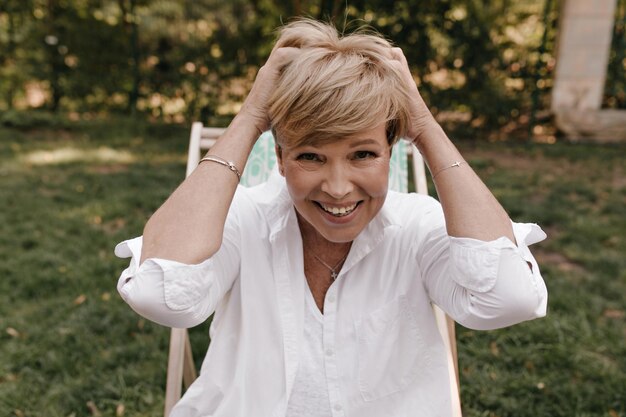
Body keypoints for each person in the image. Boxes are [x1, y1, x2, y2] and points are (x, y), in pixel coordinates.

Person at [115, 18, 547, 417]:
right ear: (280, 159)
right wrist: (250, 117)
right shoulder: (244, 217)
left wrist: (425, 125)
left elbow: (509, 298)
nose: (338, 187)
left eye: (363, 154)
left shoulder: (417, 225)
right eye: (311, 156)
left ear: (390, 153)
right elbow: (159, 293)